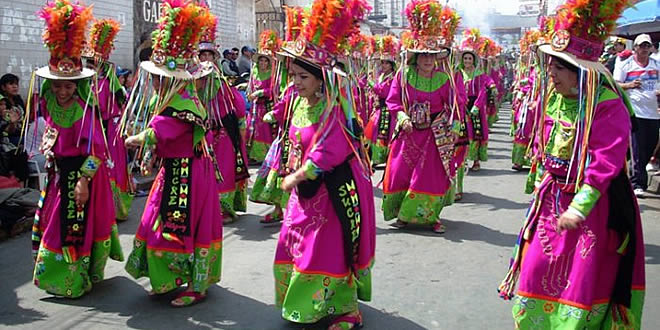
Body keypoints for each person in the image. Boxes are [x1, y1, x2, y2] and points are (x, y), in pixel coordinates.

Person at [499, 2, 646, 328]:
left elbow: (605, 162)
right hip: (552, 200)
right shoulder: (554, 96)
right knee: (535, 266)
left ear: (582, 71)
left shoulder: (608, 106)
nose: (551, 72)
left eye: (560, 66)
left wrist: (579, 208)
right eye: (551, 63)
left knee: (582, 278)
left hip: (593, 206)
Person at [274, 0, 375, 327]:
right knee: (296, 243)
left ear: (320, 79)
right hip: (303, 191)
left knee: (329, 249)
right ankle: (309, 303)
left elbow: (330, 149)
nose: (297, 83)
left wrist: (299, 174)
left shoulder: (334, 107)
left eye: (303, 76)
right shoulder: (299, 103)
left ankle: (348, 310)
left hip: (331, 191)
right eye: (293, 75)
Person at [123, 1, 221, 307]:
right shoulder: (170, 98)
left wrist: (138, 139)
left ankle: (197, 284)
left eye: (158, 77)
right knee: (158, 223)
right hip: (173, 171)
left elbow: (162, 131)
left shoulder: (185, 102)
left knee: (185, 226)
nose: (153, 82)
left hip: (190, 175)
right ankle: (168, 278)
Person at [30, 0, 123, 298]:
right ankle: (63, 276)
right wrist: (49, 152)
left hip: (82, 180)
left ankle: (73, 279)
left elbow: (98, 152)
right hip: (59, 176)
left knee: (75, 228)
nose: (63, 90)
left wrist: (83, 181)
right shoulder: (47, 103)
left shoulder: (86, 111)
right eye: (58, 85)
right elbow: (52, 134)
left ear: (78, 86)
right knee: (56, 224)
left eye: (69, 85)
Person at [383, 0, 465, 233]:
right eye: (423, 56)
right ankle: (402, 214)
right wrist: (401, 118)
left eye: (432, 56)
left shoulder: (445, 78)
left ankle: (430, 217)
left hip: (435, 135)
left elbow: (456, 104)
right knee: (400, 171)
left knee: (429, 176)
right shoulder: (403, 74)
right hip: (408, 132)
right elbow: (393, 101)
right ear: (415, 57)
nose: (428, 60)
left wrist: (455, 127)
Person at [196, 23, 249, 225]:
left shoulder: (222, 83)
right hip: (201, 133)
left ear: (215, 58)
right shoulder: (191, 82)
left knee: (225, 170)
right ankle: (205, 208)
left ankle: (225, 209)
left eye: (209, 55)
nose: (205, 59)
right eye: (202, 56)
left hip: (223, 132)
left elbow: (237, 105)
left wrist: (241, 127)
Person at [84, 19, 134, 222]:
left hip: (109, 133)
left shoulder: (107, 85)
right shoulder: (84, 84)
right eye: (88, 64)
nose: (90, 68)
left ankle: (114, 209)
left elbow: (104, 108)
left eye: (93, 64)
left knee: (112, 168)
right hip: (93, 131)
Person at [614, 33, 660, 198]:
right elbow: (616, 85)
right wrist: (630, 85)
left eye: (647, 46)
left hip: (653, 113)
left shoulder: (656, 64)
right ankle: (637, 182)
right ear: (635, 48)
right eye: (641, 46)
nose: (644, 49)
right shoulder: (626, 65)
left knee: (649, 147)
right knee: (637, 148)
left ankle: (638, 176)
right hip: (635, 112)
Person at [365, 35, 399, 167]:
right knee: (372, 130)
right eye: (382, 63)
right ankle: (373, 157)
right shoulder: (382, 76)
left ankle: (384, 157)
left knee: (384, 133)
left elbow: (383, 91)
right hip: (379, 108)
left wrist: (372, 83)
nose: (383, 65)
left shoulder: (392, 78)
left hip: (387, 110)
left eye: (386, 63)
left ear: (392, 65)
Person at [246, 32, 279, 163]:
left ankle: (264, 155)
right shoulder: (254, 72)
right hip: (255, 106)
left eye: (266, 60)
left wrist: (259, 93)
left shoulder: (272, 74)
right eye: (261, 60)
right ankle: (252, 155)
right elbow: (251, 86)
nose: (263, 63)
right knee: (252, 128)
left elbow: (273, 90)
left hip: (265, 106)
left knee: (264, 129)